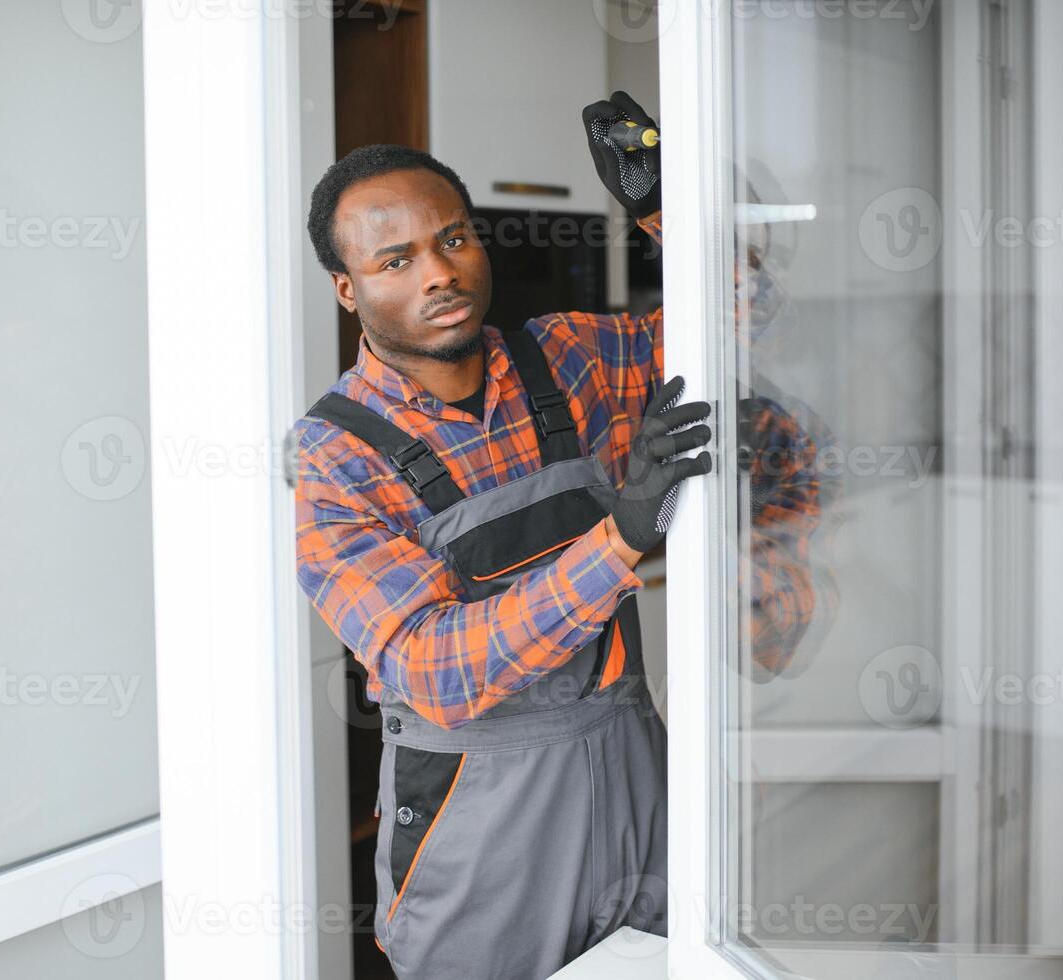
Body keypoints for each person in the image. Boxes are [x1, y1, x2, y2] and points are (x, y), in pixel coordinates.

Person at [289, 92, 819, 978]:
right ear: (348, 290)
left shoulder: (568, 358)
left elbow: (747, 319)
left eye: (453, 239)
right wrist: (618, 536)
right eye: (396, 259)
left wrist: (666, 208)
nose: (438, 274)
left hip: (630, 767)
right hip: (478, 821)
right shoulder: (335, 455)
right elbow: (436, 670)